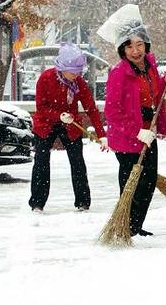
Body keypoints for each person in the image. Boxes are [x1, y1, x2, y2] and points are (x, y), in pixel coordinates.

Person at [97, 4, 166, 237]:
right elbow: (112, 112)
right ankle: (126, 225)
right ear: (122, 49)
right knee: (132, 182)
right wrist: (136, 131)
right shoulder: (119, 73)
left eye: (139, 44)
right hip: (128, 135)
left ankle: (134, 224)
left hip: (148, 129)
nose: (135, 50)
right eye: (129, 45)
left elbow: (156, 93)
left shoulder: (150, 65)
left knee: (149, 180)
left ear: (146, 44)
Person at [28, 42, 108, 212]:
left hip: (71, 125)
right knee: (41, 162)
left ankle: (83, 201)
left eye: (78, 72)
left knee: (77, 161)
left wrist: (102, 135)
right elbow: (41, 107)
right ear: (61, 67)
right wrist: (59, 116)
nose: (75, 75)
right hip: (45, 124)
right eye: (72, 71)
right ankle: (37, 202)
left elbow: (91, 108)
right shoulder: (45, 78)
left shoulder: (78, 83)